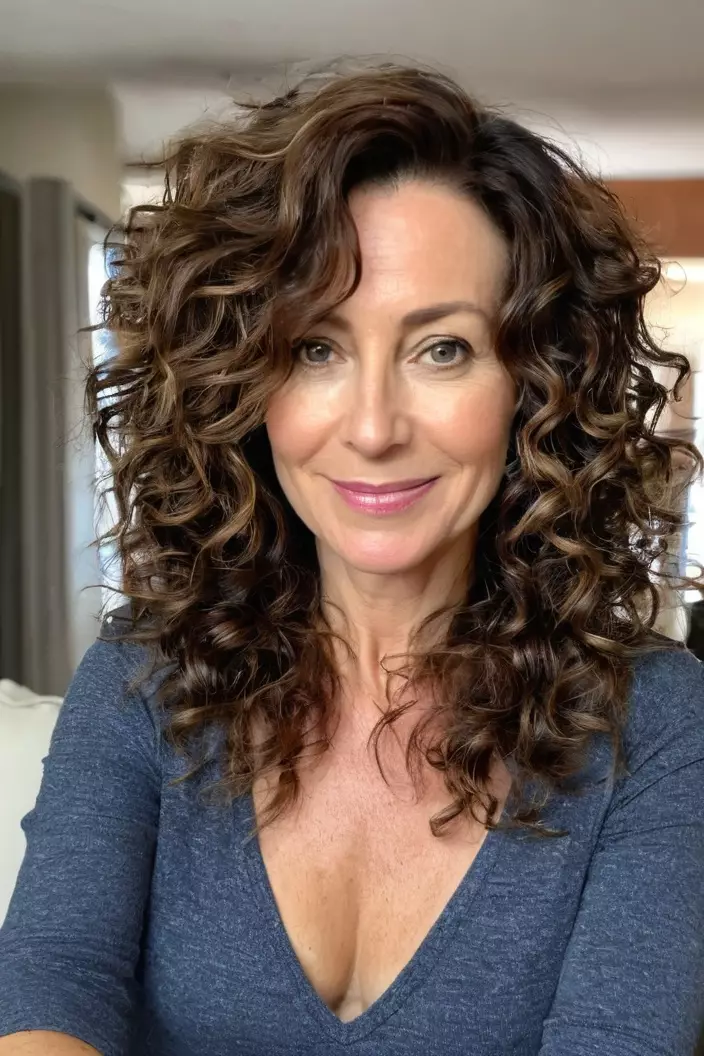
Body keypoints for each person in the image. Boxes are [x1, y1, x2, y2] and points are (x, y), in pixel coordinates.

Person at [0, 62, 703, 1056]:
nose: (372, 428)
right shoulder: (140, 683)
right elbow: (50, 987)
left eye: (441, 349)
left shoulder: (657, 724)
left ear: (532, 384)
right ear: (247, 382)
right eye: (316, 349)